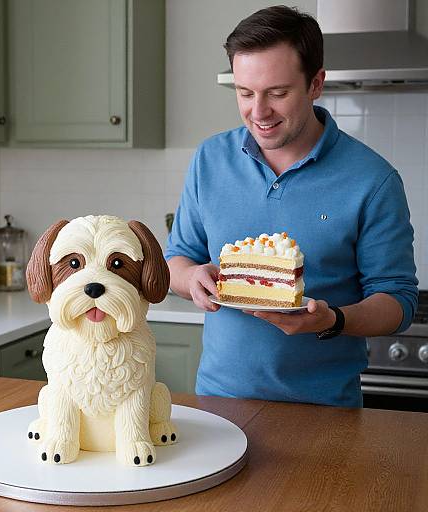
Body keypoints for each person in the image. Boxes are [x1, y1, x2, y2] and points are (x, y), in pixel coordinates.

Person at [164, 5, 418, 407]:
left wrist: (332, 320)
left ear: (316, 83)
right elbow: (176, 259)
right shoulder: (209, 159)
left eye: (277, 93)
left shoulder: (373, 180)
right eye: (245, 93)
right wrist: (191, 277)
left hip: (325, 413)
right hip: (220, 404)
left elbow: (398, 300)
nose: (258, 112)